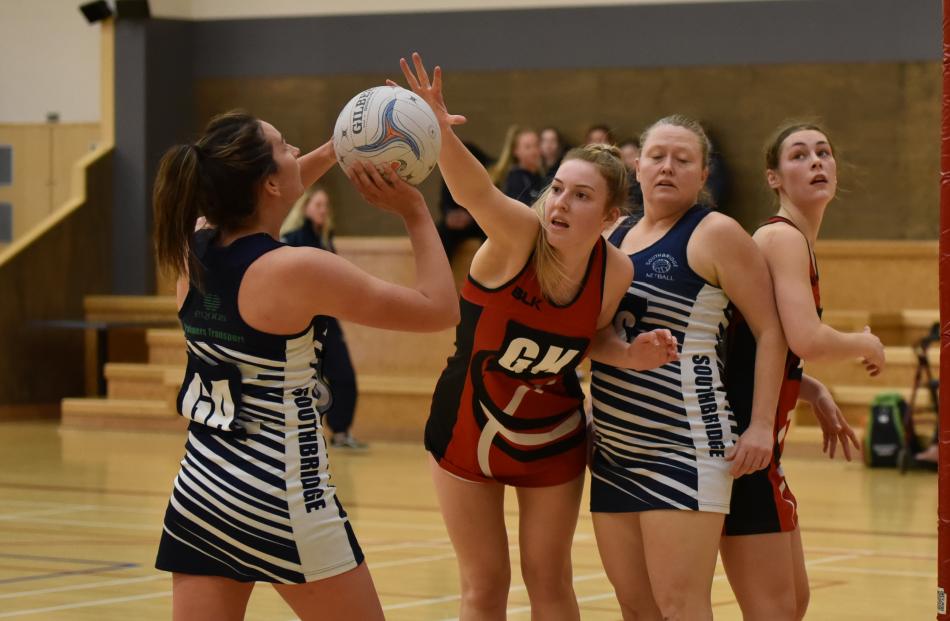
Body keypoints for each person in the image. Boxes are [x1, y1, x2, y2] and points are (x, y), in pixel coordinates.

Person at [392, 53, 678, 621]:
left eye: (580, 196)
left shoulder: (614, 270)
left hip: (553, 432)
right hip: (468, 422)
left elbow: (587, 339)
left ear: (610, 217)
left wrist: (626, 353)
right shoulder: (519, 234)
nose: (559, 205)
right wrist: (441, 131)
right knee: (485, 584)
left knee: (550, 581)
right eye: (557, 189)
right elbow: (476, 193)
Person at [151, 110, 459, 620]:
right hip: (282, 496)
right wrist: (414, 213)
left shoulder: (194, 245)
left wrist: (349, 145)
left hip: (201, 493)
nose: (298, 152)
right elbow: (439, 308)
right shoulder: (297, 268)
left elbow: (262, 189)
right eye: (285, 145)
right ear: (269, 182)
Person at [589, 114, 787, 621]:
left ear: (703, 175)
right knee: (635, 607)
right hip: (613, 448)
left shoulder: (716, 232)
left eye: (683, 160)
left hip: (685, 447)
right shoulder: (612, 235)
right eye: (657, 157)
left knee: (680, 606)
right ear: (636, 166)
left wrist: (762, 424)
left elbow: (770, 331)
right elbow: (590, 333)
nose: (667, 168)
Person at [720, 121, 885, 621]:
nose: (816, 161)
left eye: (823, 152)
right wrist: (866, 343)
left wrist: (810, 388)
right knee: (774, 611)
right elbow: (806, 337)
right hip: (742, 445)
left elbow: (752, 347)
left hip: (763, 447)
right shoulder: (781, 239)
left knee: (793, 605)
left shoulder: (794, 242)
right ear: (774, 177)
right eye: (799, 155)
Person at [280, 186, 366, 450]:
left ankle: (340, 433)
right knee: (304, 382)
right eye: (318, 205)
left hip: (328, 320)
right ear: (305, 207)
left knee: (344, 377)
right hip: (301, 323)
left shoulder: (325, 239)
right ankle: (299, 436)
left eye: (325, 206)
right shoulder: (293, 238)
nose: (323, 210)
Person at [437, 141, 491, 262]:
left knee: (491, 229)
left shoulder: (480, 167)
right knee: (440, 232)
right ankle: (442, 273)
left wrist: (471, 216)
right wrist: (449, 215)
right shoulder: (449, 170)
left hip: (479, 220)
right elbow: (444, 202)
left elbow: (490, 202)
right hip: (457, 222)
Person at [489, 125, 546, 204]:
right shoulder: (515, 179)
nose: (534, 151)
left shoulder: (541, 176)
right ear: (516, 151)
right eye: (528, 147)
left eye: (536, 145)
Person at [618, 137, 644, 211]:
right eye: (625, 157)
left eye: (631, 155)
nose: (629, 160)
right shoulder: (624, 182)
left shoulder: (650, 175)